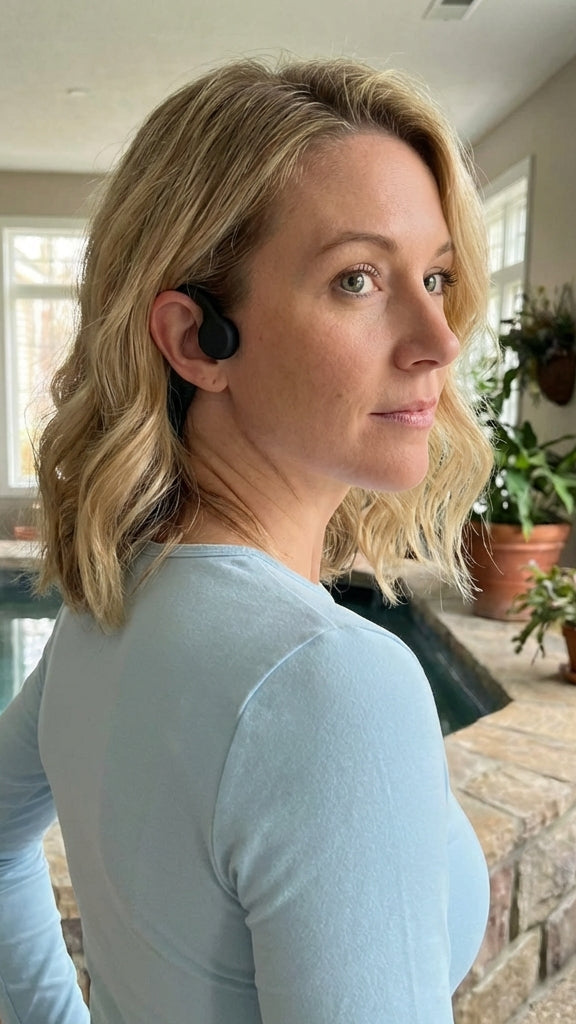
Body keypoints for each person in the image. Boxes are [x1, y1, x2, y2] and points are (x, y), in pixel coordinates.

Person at [0, 57, 493, 1024]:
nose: (438, 339)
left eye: (435, 276)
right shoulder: (332, 684)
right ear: (196, 339)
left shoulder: (111, 605)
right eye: (358, 279)